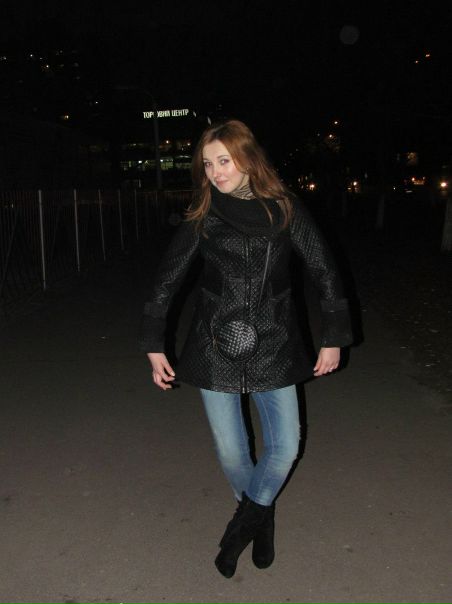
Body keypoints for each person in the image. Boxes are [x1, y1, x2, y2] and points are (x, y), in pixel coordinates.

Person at [140, 119, 353, 578]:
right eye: (207, 164)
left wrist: (334, 335)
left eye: (224, 160)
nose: (215, 172)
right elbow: (167, 280)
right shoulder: (204, 214)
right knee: (233, 453)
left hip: (275, 341)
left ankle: (244, 526)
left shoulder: (285, 207)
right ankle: (261, 516)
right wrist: (154, 342)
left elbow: (325, 271)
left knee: (285, 446)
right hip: (213, 344)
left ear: (247, 158)